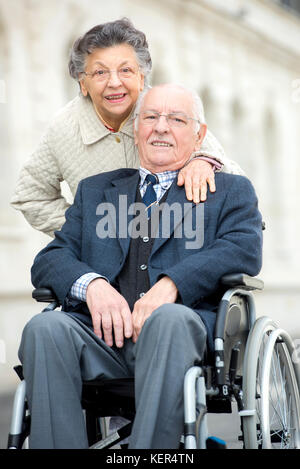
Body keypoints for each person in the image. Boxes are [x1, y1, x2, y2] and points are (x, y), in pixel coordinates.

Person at [18, 83, 262, 449]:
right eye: (150, 117)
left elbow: (243, 249)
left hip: (183, 333)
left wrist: (173, 284)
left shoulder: (229, 190)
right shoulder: (96, 191)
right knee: (45, 327)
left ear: (199, 135)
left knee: (168, 317)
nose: (161, 127)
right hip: (102, 340)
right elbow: (52, 258)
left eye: (176, 119)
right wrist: (93, 285)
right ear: (136, 129)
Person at [10, 18, 244, 238]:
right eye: (100, 72)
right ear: (83, 83)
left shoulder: (169, 109)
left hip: (177, 252)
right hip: (107, 271)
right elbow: (31, 197)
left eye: (126, 70)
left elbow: (235, 181)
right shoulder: (63, 128)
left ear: (141, 78)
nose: (114, 82)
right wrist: (91, 233)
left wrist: (204, 161)